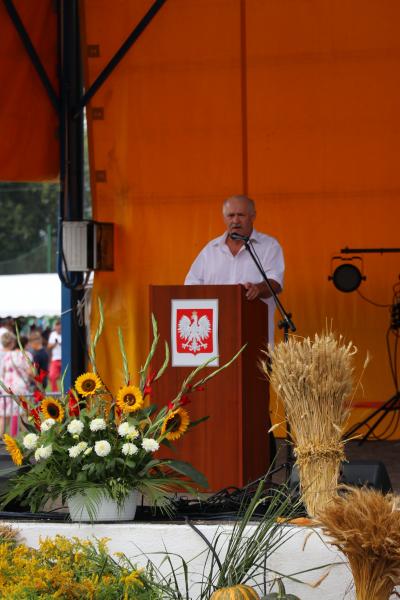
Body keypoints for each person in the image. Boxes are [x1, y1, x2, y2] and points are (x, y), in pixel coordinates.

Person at [184, 195, 284, 345]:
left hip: (254, 334)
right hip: (215, 337)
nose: (235, 221)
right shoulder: (210, 250)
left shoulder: (269, 246)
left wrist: (258, 288)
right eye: (231, 215)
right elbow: (190, 286)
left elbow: (276, 283)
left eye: (241, 215)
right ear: (224, 218)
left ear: (253, 216)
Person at [0, 331, 33, 435]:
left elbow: (2, 371)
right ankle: (19, 437)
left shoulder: (8, 355)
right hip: (21, 386)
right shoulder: (26, 354)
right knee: (20, 413)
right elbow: (30, 372)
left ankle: (1, 437)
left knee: (4, 414)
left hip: (7, 387)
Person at [48, 320, 62, 392]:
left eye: (60, 327)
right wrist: (55, 343)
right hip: (55, 359)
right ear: (55, 327)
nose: (58, 328)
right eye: (57, 327)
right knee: (52, 376)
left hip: (64, 359)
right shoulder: (52, 335)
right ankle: (55, 392)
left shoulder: (65, 334)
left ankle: (66, 392)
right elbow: (49, 346)